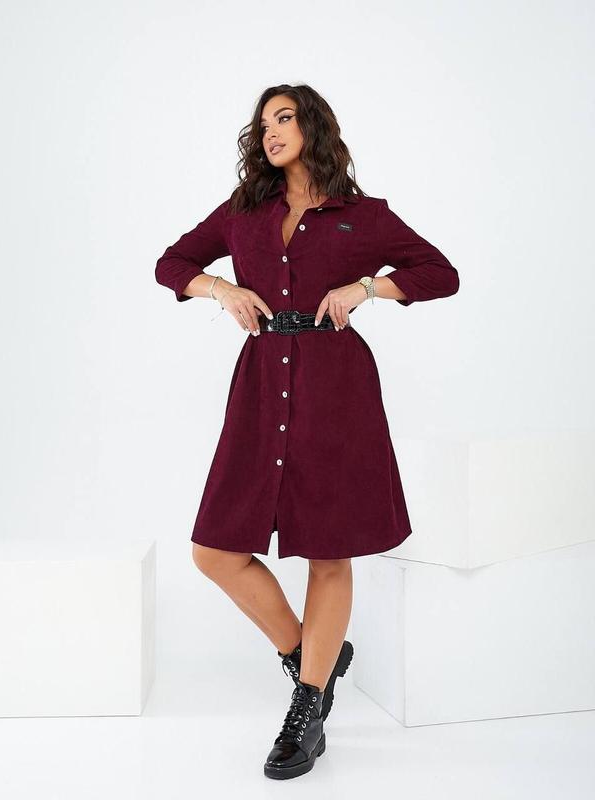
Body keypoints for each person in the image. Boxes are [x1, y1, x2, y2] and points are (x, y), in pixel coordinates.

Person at [155, 83, 459, 779]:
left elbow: (439, 272)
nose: (270, 131)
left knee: (329, 550)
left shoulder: (363, 216)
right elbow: (172, 262)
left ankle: (307, 709)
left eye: (284, 118)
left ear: (313, 127)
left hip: (337, 391)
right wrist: (222, 289)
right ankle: (310, 659)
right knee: (214, 550)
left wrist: (367, 288)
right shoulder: (243, 212)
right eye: (263, 122)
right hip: (262, 386)